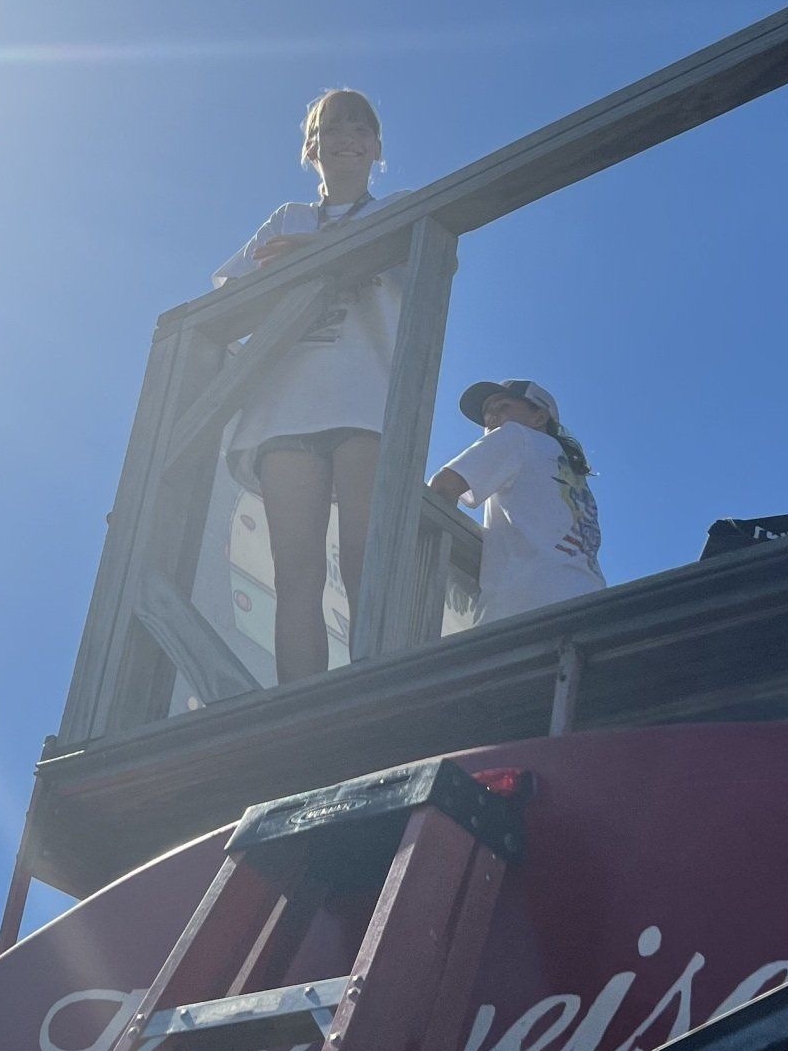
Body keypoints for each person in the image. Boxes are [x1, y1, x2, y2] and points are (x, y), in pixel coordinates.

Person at [214, 89, 396, 683]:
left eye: (359, 128)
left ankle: (376, 692)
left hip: (364, 400)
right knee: (295, 573)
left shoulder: (401, 208)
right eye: (330, 127)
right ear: (310, 147)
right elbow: (225, 297)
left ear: (375, 147)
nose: (346, 137)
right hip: (283, 410)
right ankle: (301, 708)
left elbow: (426, 261)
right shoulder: (286, 218)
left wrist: (318, 254)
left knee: (369, 560)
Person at [429, 378, 605, 625]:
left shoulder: (516, 436)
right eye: (486, 413)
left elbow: (443, 486)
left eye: (502, 407)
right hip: (593, 606)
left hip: (525, 612)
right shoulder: (571, 476)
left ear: (539, 417)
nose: (490, 418)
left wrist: (445, 568)